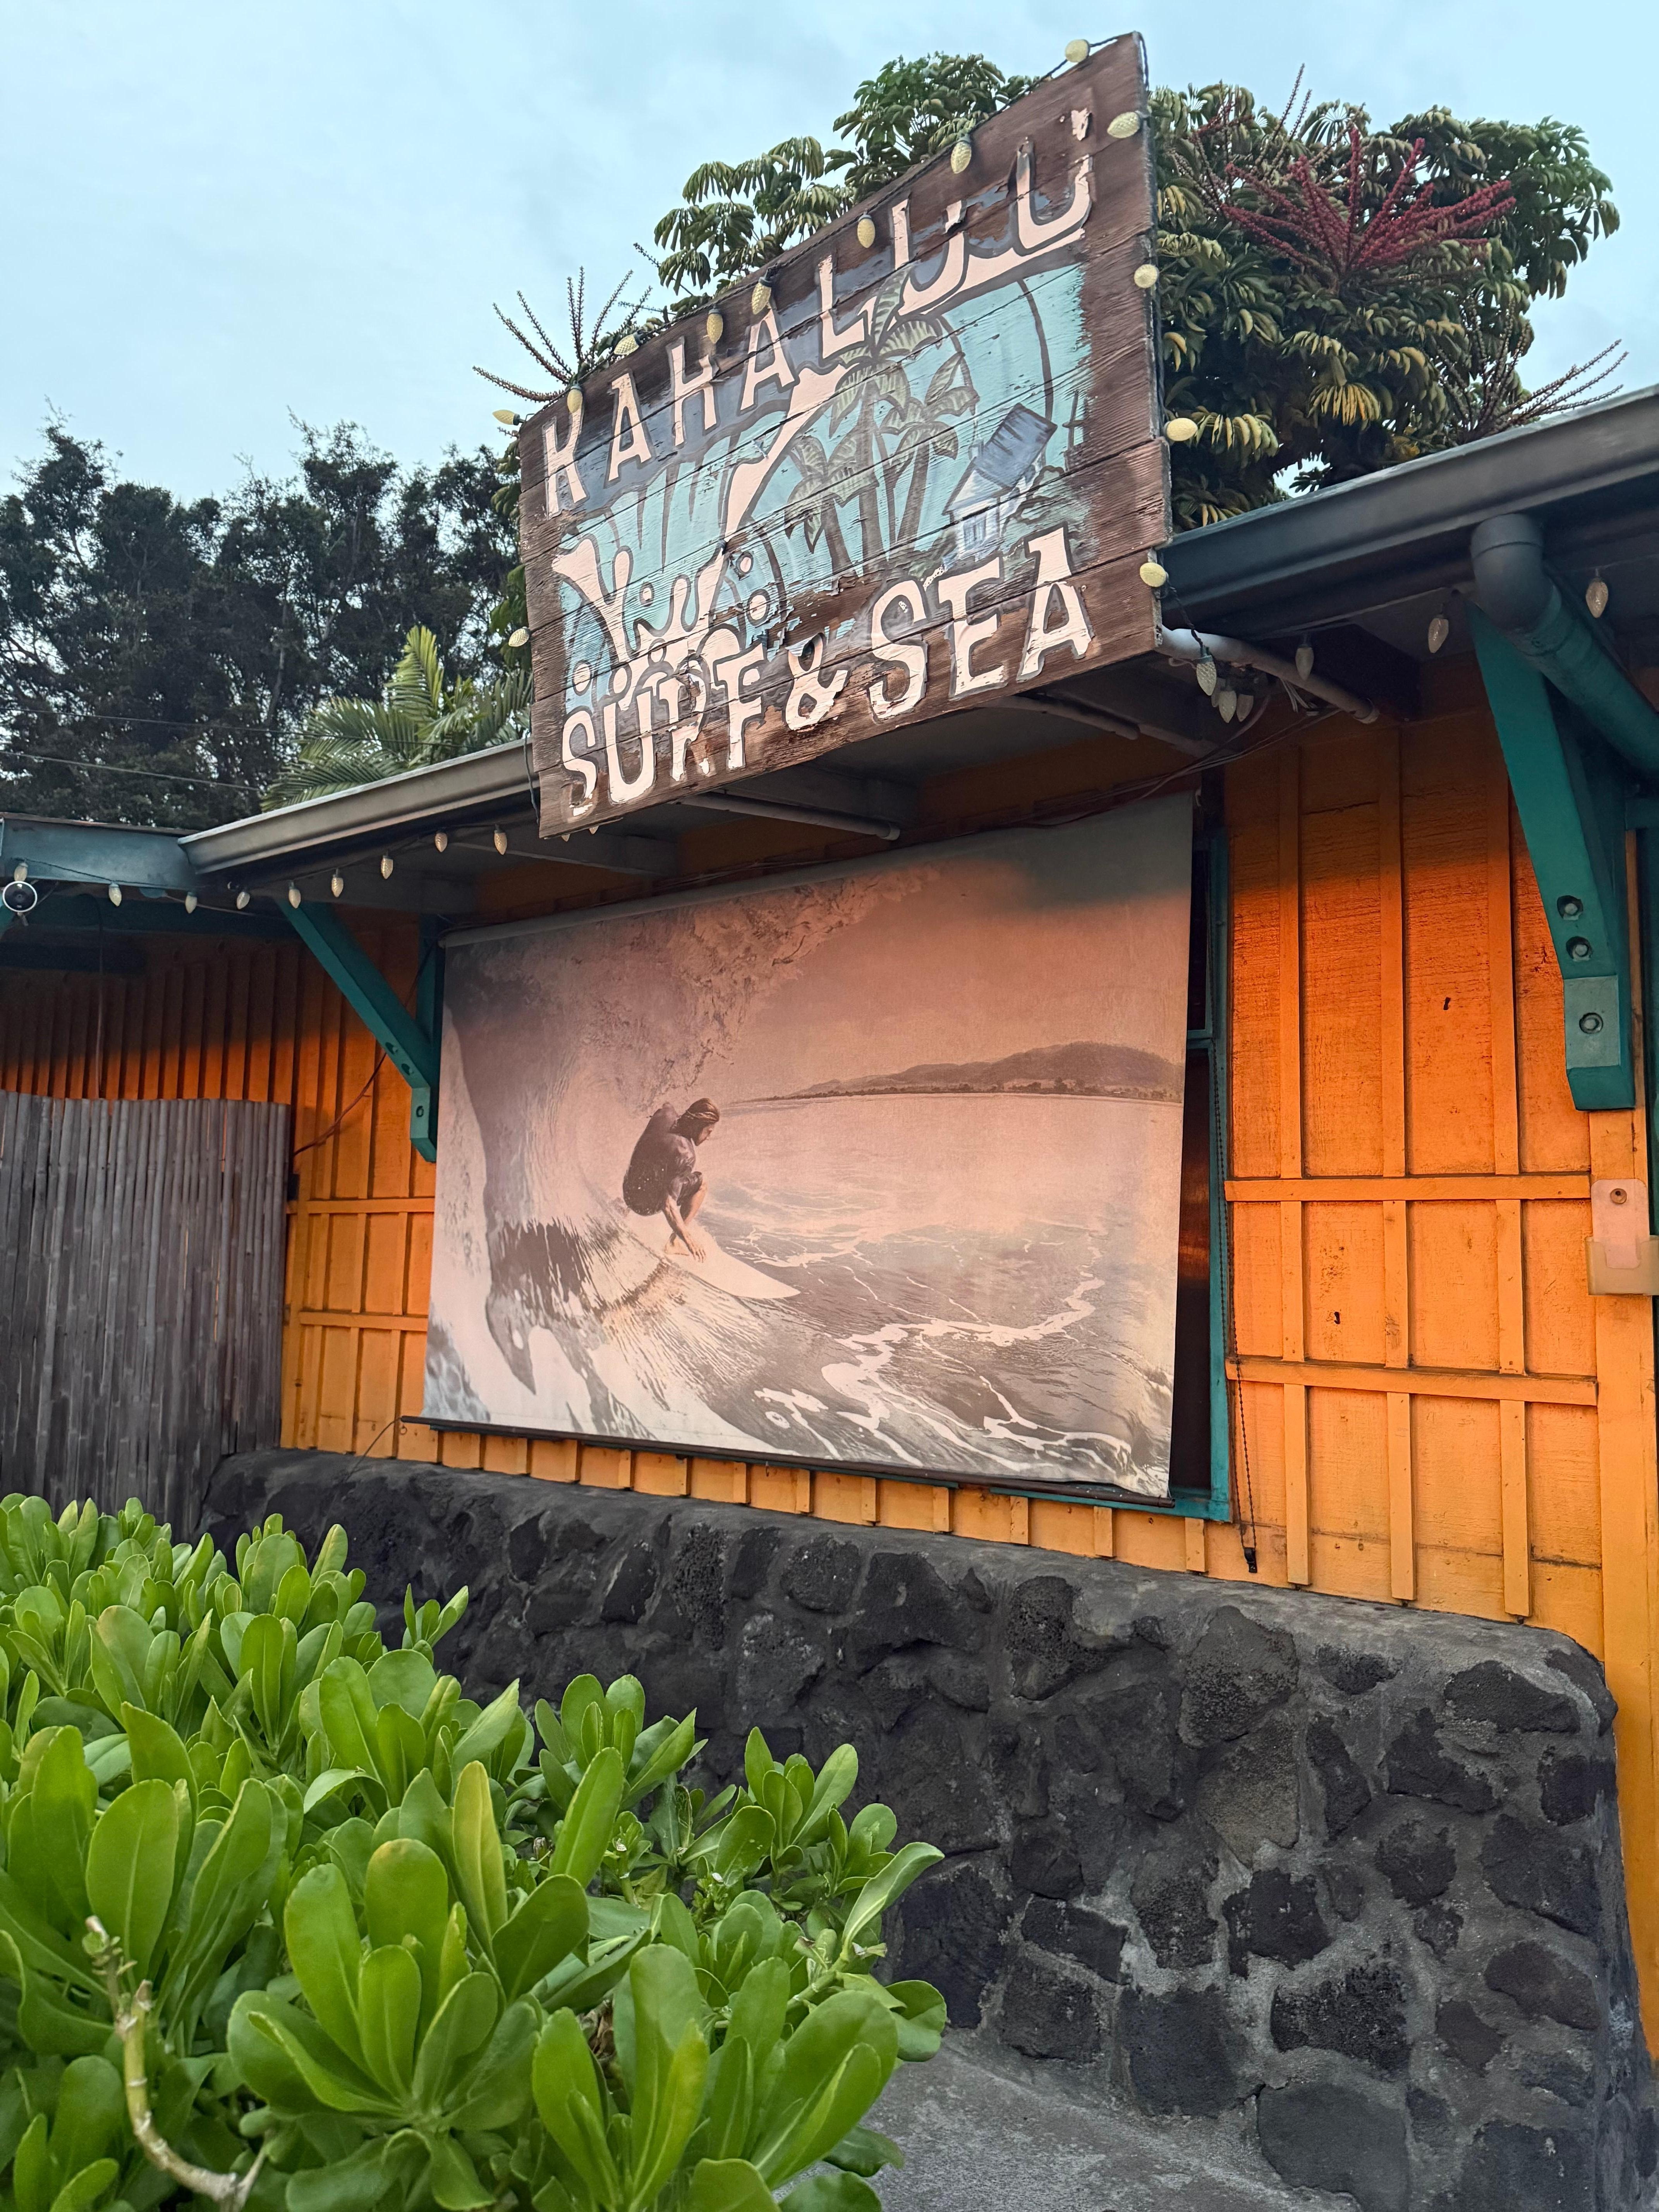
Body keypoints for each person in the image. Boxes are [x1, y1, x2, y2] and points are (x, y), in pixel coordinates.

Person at [622, 1097, 720, 1259]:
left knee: (656, 1163)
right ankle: (674, 1242)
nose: (709, 1137)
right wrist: (689, 1240)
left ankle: (625, 1209)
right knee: (702, 1183)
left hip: (628, 1191)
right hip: (643, 1206)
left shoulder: (665, 1113)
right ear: (698, 1126)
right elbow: (668, 1205)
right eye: (708, 1131)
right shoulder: (685, 1154)